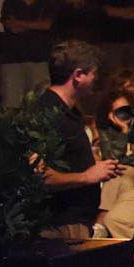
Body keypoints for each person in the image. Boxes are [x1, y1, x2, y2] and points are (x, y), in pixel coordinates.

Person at [32, 41, 122, 238]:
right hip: (60, 226)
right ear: (78, 76)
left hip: (76, 221)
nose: (95, 80)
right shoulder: (47, 113)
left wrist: (98, 168)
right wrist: (87, 176)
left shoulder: (70, 112)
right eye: (93, 74)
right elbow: (38, 174)